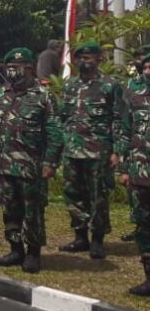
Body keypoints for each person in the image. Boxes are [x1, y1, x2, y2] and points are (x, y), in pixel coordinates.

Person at [0, 47, 63, 274]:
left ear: (29, 69)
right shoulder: (1, 95)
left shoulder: (44, 97)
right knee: (10, 209)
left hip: (32, 168)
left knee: (33, 212)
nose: (12, 72)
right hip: (5, 166)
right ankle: (15, 248)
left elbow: (55, 134)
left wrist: (50, 163)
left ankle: (33, 253)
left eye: (17, 68)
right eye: (9, 68)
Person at [58, 41, 122, 260]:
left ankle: (97, 240)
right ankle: (80, 237)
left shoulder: (110, 86)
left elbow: (118, 119)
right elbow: (62, 117)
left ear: (98, 59)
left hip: (98, 151)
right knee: (73, 195)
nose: (83, 62)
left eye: (88, 58)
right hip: (72, 150)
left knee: (98, 197)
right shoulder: (69, 86)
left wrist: (116, 151)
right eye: (80, 58)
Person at [118, 50, 150, 295]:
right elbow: (125, 131)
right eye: (147, 66)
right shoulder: (133, 93)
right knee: (143, 225)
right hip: (140, 172)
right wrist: (124, 168)